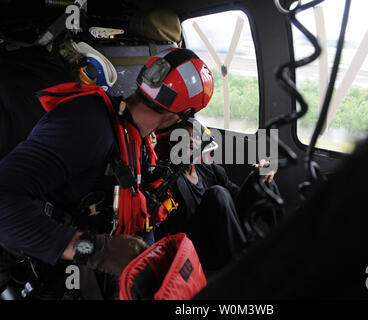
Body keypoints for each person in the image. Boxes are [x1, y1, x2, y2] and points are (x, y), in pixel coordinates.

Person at [0, 47, 214, 299]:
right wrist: (98, 251)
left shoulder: (132, 134)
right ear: (183, 115)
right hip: (46, 271)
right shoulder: (89, 125)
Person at [154, 120, 282, 272]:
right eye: (183, 139)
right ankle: (244, 267)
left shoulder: (211, 170)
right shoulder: (169, 179)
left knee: (261, 179)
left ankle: (281, 247)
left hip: (227, 233)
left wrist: (262, 170)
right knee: (218, 193)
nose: (191, 141)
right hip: (200, 244)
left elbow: (236, 198)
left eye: (195, 138)